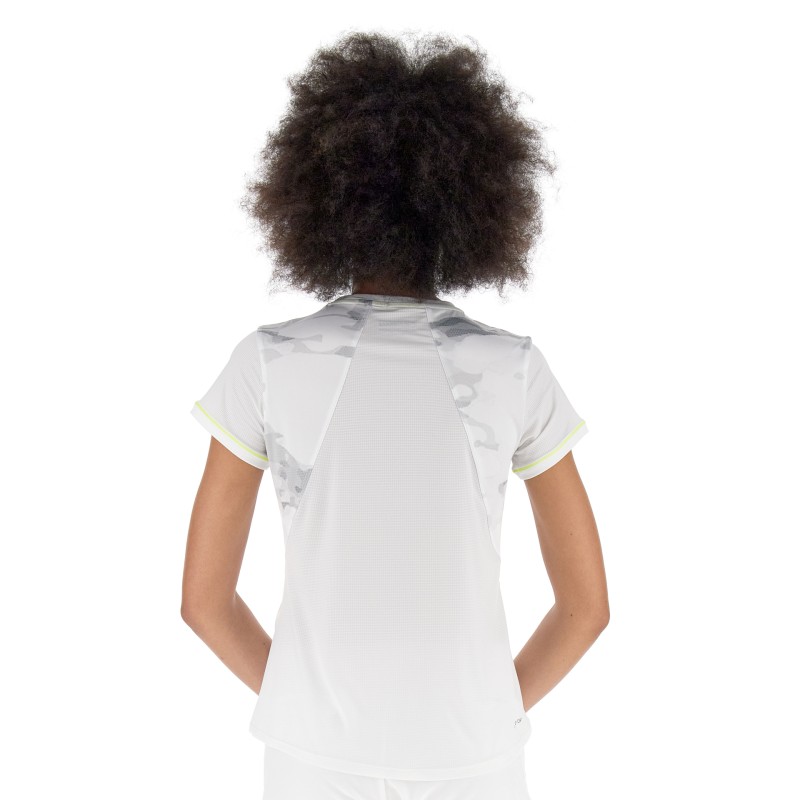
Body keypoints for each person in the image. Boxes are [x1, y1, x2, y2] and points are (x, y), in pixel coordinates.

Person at [181, 30, 609, 800]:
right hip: (475, 761)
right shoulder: (512, 368)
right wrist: (485, 711)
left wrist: (305, 704)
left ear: (319, 198)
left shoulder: (268, 361)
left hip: (310, 762)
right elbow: (586, 609)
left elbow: (203, 602)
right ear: (475, 203)